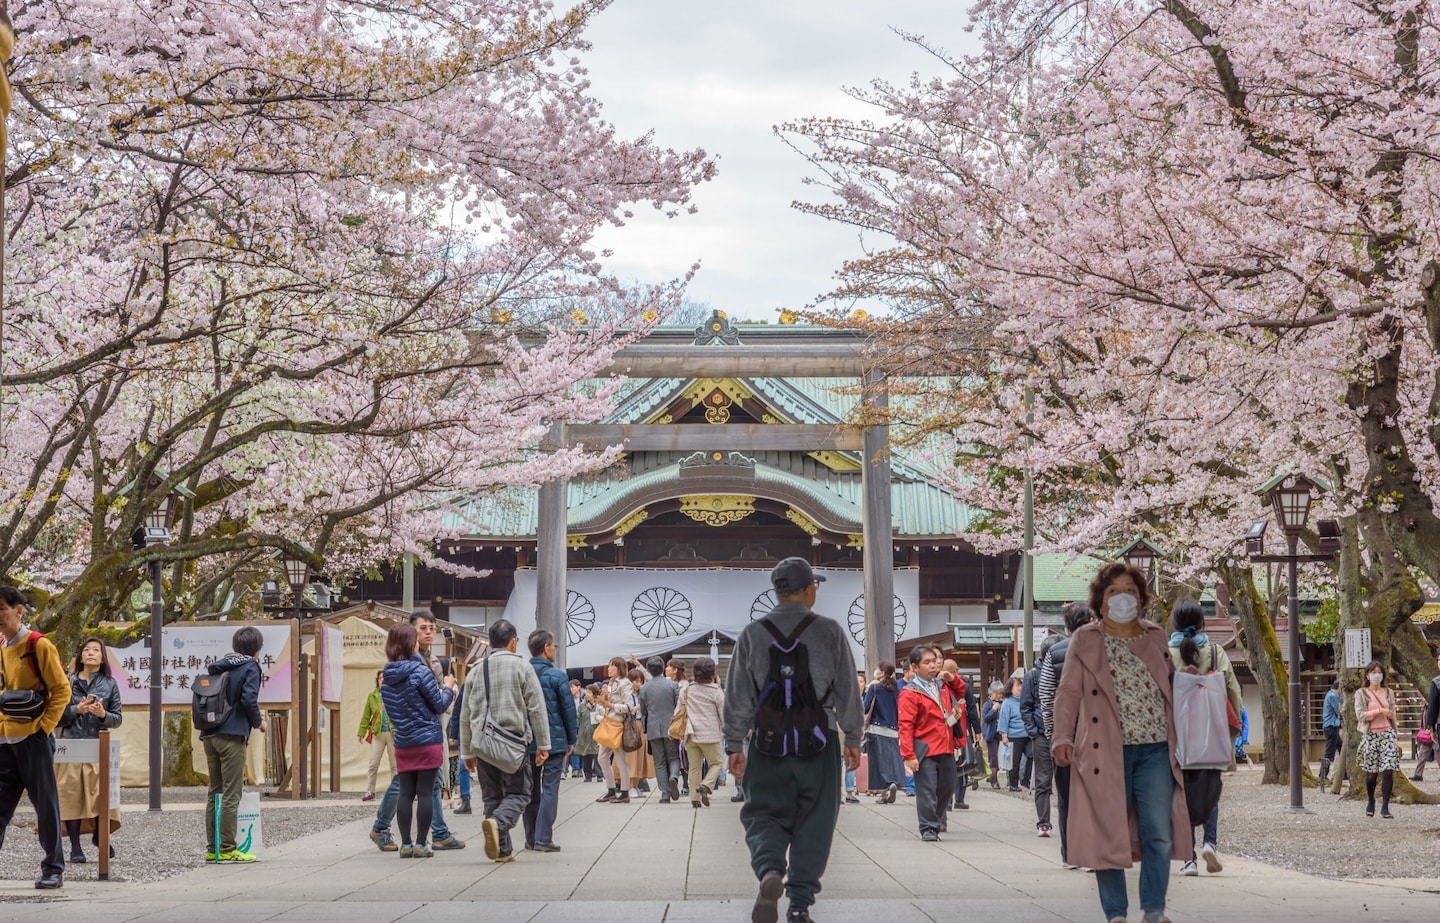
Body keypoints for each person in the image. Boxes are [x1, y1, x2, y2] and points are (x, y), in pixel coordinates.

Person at [724, 556, 863, 923]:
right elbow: (849, 689)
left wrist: (734, 744)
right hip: (818, 742)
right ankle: (799, 904)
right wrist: (853, 736)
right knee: (816, 819)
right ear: (808, 589)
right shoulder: (830, 631)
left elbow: (737, 695)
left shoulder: (752, 634)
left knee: (762, 812)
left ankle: (770, 871)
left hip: (767, 744)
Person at [1051, 562, 1191, 923]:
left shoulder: (1156, 636)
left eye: (1129, 590)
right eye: (1113, 592)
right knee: (1106, 831)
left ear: (1141, 598)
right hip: (1102, 749)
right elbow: (1067, 693)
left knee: (1158, 832)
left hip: (1157, 746)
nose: (1122, 598)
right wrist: (1062, 737)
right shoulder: (1085, 639)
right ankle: (1116, 913)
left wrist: (1189, 681)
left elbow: (1170, 686)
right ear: (1100, 601)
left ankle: (1154, 911)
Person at [367, 611, 466, 853]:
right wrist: (450, 690)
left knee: (414, 787)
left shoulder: (389, 673)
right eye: (423, 628)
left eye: (432, 627)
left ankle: (415, 840)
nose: (429, 632)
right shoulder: (420, 666)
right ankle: (416, 838)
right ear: (410, 634)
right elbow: (437, 702)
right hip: (426, 734)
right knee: (416, 787)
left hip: (404, 737)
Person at [459, 619, 551, 862]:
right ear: (513, 642)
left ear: (489, 643)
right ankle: (499, 823)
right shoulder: (522, 667)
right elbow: (536, 707)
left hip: (483, 744)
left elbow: (465, 714)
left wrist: (467, 752)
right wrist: (543, 744)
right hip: (512, 743)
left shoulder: (476, 669)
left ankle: (502, 850)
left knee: (492, 796)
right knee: (521, 793)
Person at [0, 587, 72, 889]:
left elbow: (62, 690)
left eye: (1, 609)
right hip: (4, 740)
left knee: (45, 805)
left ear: (19, 610)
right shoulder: (1, 646)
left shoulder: (38, 645)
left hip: (33, 738)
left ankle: (53, 868)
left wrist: (44, 728)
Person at [1168, 599, 1242, 877]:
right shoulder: (1213, 650)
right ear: (1202, 623)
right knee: (1210, 789)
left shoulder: (1165, 652)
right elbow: (1232, 689)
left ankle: (1188, 858)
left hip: (1177, 733)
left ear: (1174, 624)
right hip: (1209, 731)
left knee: (1181, 791)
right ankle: (1209, 842)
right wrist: (1233, 729)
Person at [1037, 601, 1096, 867]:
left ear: (1067, 625)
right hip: (1099, 734)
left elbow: (1048, 697)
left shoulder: (1056, 652)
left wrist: (1053, 733)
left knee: (1067, 795)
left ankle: (1070, 853)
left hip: (1068, 734)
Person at [201, 625, 265, 865]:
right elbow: (249, 699)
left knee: (214, 792)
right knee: (231, 793)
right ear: (256, 649)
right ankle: (227, 848)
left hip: (210, 734)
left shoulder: (221, 665)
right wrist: (259, 722)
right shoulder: (250, 666)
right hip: (232, 735)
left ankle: (212, 848)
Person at [56, 637, 122, 864]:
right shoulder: (68, 682)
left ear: (103, 657)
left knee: (99, 794)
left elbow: (117, 719)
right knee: (71, 795)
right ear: (80, 656)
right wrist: (77, 709)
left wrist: (102, 715)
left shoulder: (110, 684)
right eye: (87, 649)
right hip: (71, 745)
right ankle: (75, 847)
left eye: (96, 650)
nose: (91, 653)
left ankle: (99, 835)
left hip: (98, 745)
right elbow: (56, 716)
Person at [897, 645, 965, 841]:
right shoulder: (910, 693)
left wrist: (954, 679)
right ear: (915, 667)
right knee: (926, 790)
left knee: (948, 786)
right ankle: (928, 827)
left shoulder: (941, 684)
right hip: (925, 747)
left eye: (934, 661)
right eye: (926, 662)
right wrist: (909, 755)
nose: (933, 665)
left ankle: (934, 819)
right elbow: (905, 725)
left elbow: (961, 692)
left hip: (946, 745)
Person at [521, 629, 576, 852]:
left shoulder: (522, 672)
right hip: (554, 741)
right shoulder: (558, 676)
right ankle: (544, 836)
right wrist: (571, 739)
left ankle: (531, 837)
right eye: (553, 645)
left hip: (526, 740)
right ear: (546, 648)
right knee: (550, 787)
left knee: (530, 789)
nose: (555, 648)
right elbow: (568, 711)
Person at [1021, 634, 1060, 837]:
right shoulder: (1033, 676)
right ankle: (1043, 822)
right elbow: (1025, 707)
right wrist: (1034, 732)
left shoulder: (1066, 672)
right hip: (1043, 735)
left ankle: (1067, 820)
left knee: (1065, 779)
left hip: (1063, 734)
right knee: (1043, 780)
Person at [1355, 659, 1399, 818]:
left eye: (1379, 673)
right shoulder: (1361, 693)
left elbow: (1392, 714)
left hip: (1388, 734)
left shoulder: (1389, 692)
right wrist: (1378, 710)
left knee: (1388, 770)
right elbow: (1360, 715)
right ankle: (1371, 799)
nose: (1376, 676)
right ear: (1367, 675)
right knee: (1371, 773)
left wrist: (1395, 732)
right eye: (1373, 673)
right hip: (1370, 735)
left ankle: (1385, 806)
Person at [681, 656, 726, 807]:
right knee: (717, 763)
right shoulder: (716, 692)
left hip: (691, 733)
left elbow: (678, 711)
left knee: (694, 767)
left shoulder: (687, 689)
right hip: (710, 734)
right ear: (712, 672)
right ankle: (706, 785)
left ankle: (694, 799)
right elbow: (723, 715)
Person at [636, 655, 682, 803]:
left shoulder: (644, 688)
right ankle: (674, 776)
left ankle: (665, 793)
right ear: (663, 668)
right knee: (673, 756)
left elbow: (643, 711)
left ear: (648, 669)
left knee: (659, 761)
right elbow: (678, 707)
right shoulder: (673, 686)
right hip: (671, 727)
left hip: (653, 727)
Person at [594, 657, 634, 804]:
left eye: (613, 666)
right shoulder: (610, 682)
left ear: (620, 668)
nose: (609, 669)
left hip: (618, 724)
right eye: (609, 666)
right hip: (608, 722)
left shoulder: (625, 683)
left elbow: (629, 706)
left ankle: (624, 792)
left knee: (620, 759)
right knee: (602, 757)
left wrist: (611, 705)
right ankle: (611, 790)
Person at [863, 661, 904, 803]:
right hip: (893, 729)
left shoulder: (874, 688)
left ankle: (884, 789)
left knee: (878, 762)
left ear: (881, 672)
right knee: (892, 760)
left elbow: (865, 707)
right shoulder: (897, 690)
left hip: (876, 728)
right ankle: (891, 784)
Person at [359, 669, 395, 802]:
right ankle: (370, 791)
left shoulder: (395, 695)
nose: (383, 680)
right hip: (377, 734)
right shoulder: (372, 696)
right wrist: (361, 732)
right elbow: (366, 716)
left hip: (393, 733)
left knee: (394, 765)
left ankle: (395, 791)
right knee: (373, 763)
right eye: (381, 678)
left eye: (385, 678)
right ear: (377, 681)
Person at [997, 677, 1030, 791]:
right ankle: (1013, 784)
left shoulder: (1025, 700)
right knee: (1014, 761)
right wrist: (1004, 735)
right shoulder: (1007, 703)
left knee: (1032, 755)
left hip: (1028, 734)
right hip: (1014, 736)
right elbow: (1003, 720)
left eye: (1021, 685)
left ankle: (1026, 780)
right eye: (1017, 686)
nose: (1020, 688)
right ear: (1010, 688)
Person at [575, 684, 601, 782]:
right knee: (586, 755)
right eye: (586, 692)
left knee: (597, 754)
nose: (587, 694)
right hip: (584, 733)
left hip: (596, 731)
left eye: (589, 692)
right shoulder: (582, 705)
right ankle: (588, 775)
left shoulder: (598, 705)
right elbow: (578, 717)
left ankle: (599, 774)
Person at [981, 682, 1004, 789]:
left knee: (999, 757)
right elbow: (986, 719)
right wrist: (994, 709)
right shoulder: (987, 705)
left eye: (1000, 693)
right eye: (996, 693)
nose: (999, 696)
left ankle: (991, 776)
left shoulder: (1004, 704)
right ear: (991, 693)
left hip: (1002, 734)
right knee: (994, 757)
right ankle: (994, 780)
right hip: (991, 734)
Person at [1321, 678, 1342, 785]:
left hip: (1331, 725)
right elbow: (1339, 710)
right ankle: (1323, 774)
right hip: (1332, 725)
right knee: (1329, 751)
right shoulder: (1333, 696)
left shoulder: (1329, 694)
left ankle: (1344, 772)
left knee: (1341, 747)